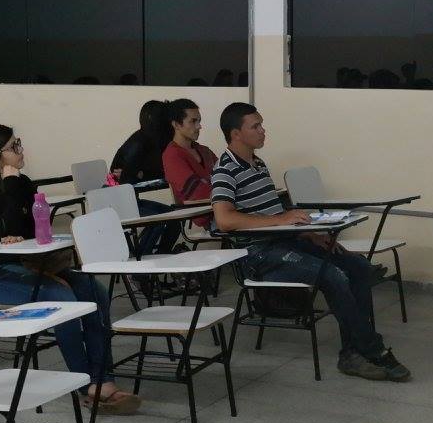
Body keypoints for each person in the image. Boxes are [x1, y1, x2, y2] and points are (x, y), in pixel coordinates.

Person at [210, 102, 411, 382]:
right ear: (235, 134)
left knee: (357, 267)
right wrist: (281, 220)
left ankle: (352, 352)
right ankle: (372, 349)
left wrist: (309, 234)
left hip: (284, 242)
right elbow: (224, 220)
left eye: (262, 124)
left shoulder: (258, 164)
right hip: (258, 255)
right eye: (255, 126)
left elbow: (272, 216)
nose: (263, 130)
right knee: (332, 275)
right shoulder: (225, 170)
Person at [0, 125, 139, 414]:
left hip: (33, 264)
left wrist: (16, 192)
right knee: (62, 299)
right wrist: (10, 185)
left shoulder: (23, 183)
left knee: (95, 292)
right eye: (13, 147)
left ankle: (102, 378)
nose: (21, 151)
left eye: (18, 143)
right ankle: (85, 385)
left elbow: (33, 230)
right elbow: (7, 228)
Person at [111, 100, 180, 254]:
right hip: (116, 202)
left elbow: (158, 172)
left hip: (132, 199)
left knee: (176, 218)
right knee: (157, 221)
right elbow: (124, 178)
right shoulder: (138, 142)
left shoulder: (159, 141)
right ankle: (141, 261)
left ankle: (162, 257)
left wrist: (140, 173)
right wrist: (138, 174)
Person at [162, 99, 218, 228]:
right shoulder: (172, 155)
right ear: (176, 124)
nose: (199, 126)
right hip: (210, 216)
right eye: (193, 121)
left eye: (199, 121)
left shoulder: (205, 151)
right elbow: (197, 193)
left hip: (224, 209)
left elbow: (228, 175)